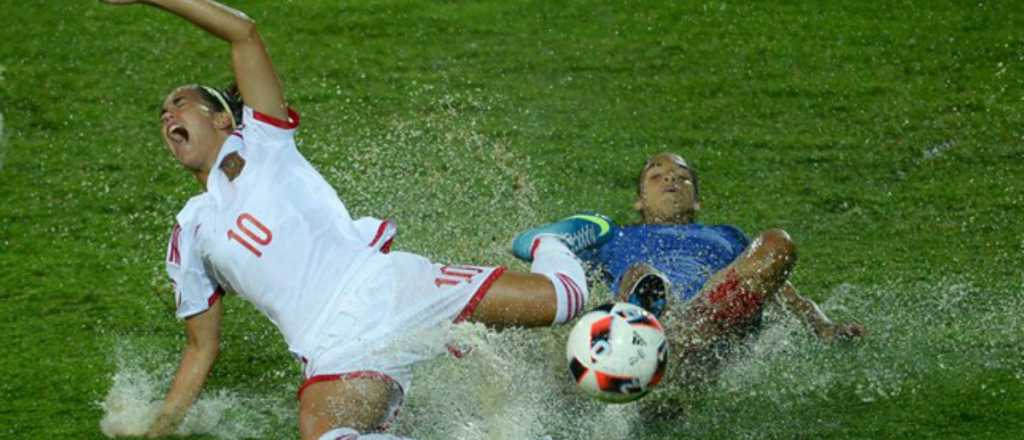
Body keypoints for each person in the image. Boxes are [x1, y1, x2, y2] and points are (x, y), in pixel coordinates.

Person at [100, 1, 606, 439]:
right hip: (332, 348)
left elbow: (243, 31)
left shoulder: (264, 141)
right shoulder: (191, 229)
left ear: (222, 119)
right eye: (162, 115)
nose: (168, 116)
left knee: (565, 299)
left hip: (388, 286)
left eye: (180, 103)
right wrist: (161, 428)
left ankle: (549, 240)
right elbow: (200, 347)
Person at [513, 152, 866, 388]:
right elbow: (558, 275)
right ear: (639, 200)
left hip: (712, 319)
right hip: (642, 321)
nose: (670, 180)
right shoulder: (613, 236)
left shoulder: (726, 235)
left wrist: (823, 326)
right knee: (642, 274)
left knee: (778, 243)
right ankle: (657, 346)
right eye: (657, 175)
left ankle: (673, 348)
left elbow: (784, 292)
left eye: (682, 178)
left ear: (696, 199)